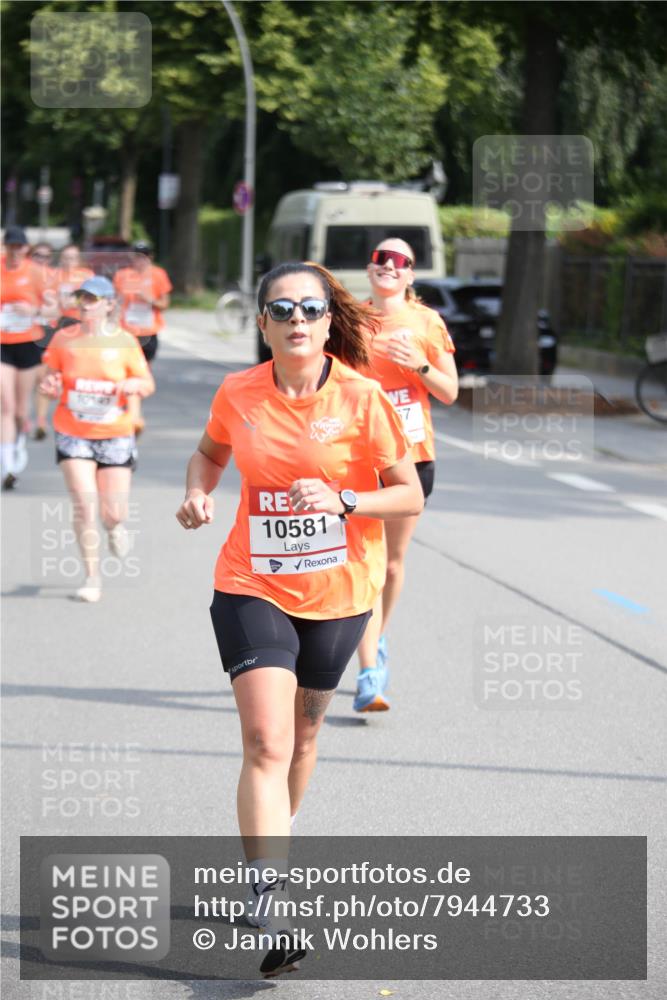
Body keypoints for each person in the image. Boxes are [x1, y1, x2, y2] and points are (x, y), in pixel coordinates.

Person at [176, 261, 422, 977]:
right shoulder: (238, 392)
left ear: (324, 322)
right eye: (280, 309)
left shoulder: (362, 396)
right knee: (264, 738)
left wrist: (346, 504)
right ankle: (270, 896)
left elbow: (407, 496)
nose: (295, 321)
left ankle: (270, 844)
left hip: (342, 592)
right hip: (251, 582)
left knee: (305, 737)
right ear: (261, 324)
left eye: (308, 310)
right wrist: (199, 493)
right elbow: (207, 454)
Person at [352, 238, 458, 712]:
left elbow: (450, 390)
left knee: (391, 564)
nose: (388, 266)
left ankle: (379, 635)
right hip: (358, 459)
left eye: (400, 262)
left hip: (411, 459)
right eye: (380, 259)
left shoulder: (426, 322)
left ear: (411, 274)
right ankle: (369, 669)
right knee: (362, 562)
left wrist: (415, 364)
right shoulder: (350, 318)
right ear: (369, 269)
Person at [39, 276, 155, 603]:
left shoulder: (125, 342)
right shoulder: (63, 339)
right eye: (82, 299)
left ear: (109, 305)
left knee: (113, 511)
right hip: (73, 431)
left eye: (93, 299)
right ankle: (92, 576)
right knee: (83, 503)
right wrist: (47, 388)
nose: (86, 304)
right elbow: (48, 380)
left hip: (115, 434)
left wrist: (135, 387)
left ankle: (115, 527)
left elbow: (146, 382)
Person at [1, 226, 47, 489]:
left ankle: (19, 444)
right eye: (11, 246)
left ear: (26, 249)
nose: (15, 251)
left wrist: (33, 309)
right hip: (2, 343)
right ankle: (7, 465)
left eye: (20, 247)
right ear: (5, 247)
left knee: (20, 410)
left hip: (28, 342)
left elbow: (53, 307)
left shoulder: (35, 272)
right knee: (5, 407)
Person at [33, 244, 95, 440]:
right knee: (47, 372)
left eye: (73, 258)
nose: (68, 261)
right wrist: (57, 303)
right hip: (57, 325)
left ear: (79, 260)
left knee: (81, 372)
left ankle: (82, 416)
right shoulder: (54, 276)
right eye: (65, 257)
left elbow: (95, 299)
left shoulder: (86, 275)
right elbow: (46, 299)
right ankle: (41, 421)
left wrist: (76, 302)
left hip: (80, 325)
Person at [113, 241, 171, 435]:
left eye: (144, 255)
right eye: (137, 256)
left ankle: (133, 408)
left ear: (150, 257)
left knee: (141, 374)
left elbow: (165, 303)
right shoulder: (122, 276)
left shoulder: (158, 275)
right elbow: (114, 302)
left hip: (148, 333)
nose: (140, 260)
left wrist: (150, 300)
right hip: (126, 333)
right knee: (123, 373)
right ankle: (131, 413)